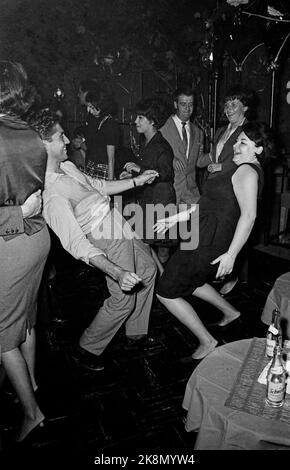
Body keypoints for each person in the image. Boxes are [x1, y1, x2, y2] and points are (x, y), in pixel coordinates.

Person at [28, 108, 158, 372]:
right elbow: (76, 243)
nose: (67, 141)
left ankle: (135, 334)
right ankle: (86, 348)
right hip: (104, 235)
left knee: (149, 270)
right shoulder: (51, 194)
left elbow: (99, 186)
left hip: (116, 221)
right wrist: (116, 271)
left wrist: (137, 181)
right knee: (123, 298)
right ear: (44, 144)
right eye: (61, 137)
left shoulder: (67, 166)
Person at [154, 122, 272, 360]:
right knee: (193, 280)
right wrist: (173, 219)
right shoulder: (240, 168)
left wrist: (231, 255)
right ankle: (231, 312)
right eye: (237, 140)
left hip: (209, 240)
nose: (236, 146)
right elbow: (208, 205)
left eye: (243, 142)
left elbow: (249, 216)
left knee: (166, 291)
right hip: (204, 233)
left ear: (258, 149)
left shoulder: (246, 171)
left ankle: (207, 341)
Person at [0, 61, 50, 442]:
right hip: (37, 239)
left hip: (10, 242)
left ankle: (32, 413)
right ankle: (29, 382)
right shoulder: (31, 133)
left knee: (1, 334)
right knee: (27, 319)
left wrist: (14, 213)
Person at [197, 85, 257, 295]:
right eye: (227, 104)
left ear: (245, 107)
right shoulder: (223, 130)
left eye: (235, 104)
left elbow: (251, 161)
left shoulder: (249, 132)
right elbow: (214, 157)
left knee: (233, 231)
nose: (228, 108)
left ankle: (233, 274)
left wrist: (222, 167)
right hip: (215, 188)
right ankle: (220, 270)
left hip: (235, 189)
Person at [121, 98, 176, 269]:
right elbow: (147, 169)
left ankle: (163, 283)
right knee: (148, 243)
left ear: (152, 121)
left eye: (140, 118)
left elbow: (166, 173)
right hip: (149, 200)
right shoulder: (148, 142)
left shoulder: (161, 145)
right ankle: (159, 279)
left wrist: (139, 169)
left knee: (161, 247)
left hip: (160, 201)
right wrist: (130, 176)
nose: (136, 121)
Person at [160, 85, 203, 205]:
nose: (187, 108)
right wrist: (170, 159)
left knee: (196, 223)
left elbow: (199, 161)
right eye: (183, 104)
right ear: (175, 105)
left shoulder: (198, 132)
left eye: (191, 104)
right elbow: (153, 158)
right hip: (170, 193)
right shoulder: (162, 129)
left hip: (191, 193)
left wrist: (215, 155)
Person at [71, 80, 119, 180]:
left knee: (116, 196)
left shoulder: (110, 124)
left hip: (105, 170)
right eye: (88, 107)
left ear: (101, 106)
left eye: (92, 107)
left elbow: (111, 159)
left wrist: (111, 184)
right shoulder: (96, 121)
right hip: (92, 167)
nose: (89, 110)